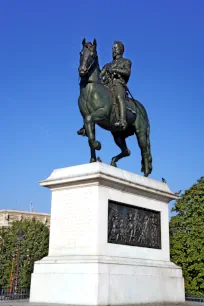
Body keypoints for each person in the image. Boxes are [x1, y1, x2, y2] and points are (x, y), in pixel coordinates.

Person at [100, 41, 132, 129]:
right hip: (107, 85)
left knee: (119, 97)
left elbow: (127, 72)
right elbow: (100, 75)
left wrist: (115, 70)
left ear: (121, 50)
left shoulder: (126, 61)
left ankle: (122, 120)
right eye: (112, 48)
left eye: (115, 48)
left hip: (118, 84)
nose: (113, 50)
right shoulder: (107, 65)